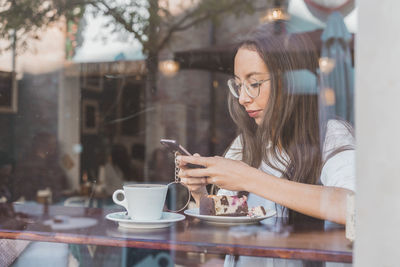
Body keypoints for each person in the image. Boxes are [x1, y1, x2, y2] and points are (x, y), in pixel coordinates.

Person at [178, 23, 355, 227]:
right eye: (238, 86)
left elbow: (356, 209)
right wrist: (200, 193)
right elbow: (230, 221)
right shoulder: (245, 143)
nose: (243, 98)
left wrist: (248, 178)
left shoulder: (330, 135)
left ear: (289, 82)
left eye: (254, 84)